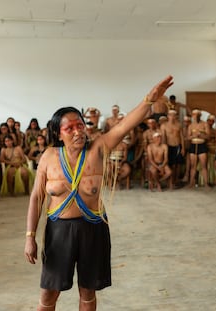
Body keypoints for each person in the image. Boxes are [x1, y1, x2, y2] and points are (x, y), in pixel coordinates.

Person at [24, 75, 173, 311]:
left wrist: (148, 100)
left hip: (92, 228)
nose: (77, 131)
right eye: (69, 128)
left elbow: (125, 125)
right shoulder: (49, 156)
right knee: (49, 292)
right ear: (58, 133)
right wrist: (30, 236)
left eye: (80, 125)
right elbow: (36, 197)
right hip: (59, 230)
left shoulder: (99, 148)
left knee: (88, 291)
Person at [160, 109, 184, 187]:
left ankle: (176, 180)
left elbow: (182, 137)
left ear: (176, 116)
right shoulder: (164, 125)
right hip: (168, 146)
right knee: (170, 164)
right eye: (170, 115)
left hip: (177, 146)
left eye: (174, 115)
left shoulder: (179, 125)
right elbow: (163, 138)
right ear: (168, 116)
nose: (172, 117)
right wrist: (163, 149)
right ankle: (170, 181)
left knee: (178, 164)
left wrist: (183, 148)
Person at [187, 109, 210, 189]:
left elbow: (208, 136)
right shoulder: (191, 125)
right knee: (193, 166)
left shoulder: (205, 124)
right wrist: (193, 136)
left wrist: (200, 135)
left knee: (204, 165)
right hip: (193, 145)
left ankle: (206, 184)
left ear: (200, 116)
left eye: (197, 115)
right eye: (194, 115)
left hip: (202, 145)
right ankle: (191, 183)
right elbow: (188, 137)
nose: (195, 117)